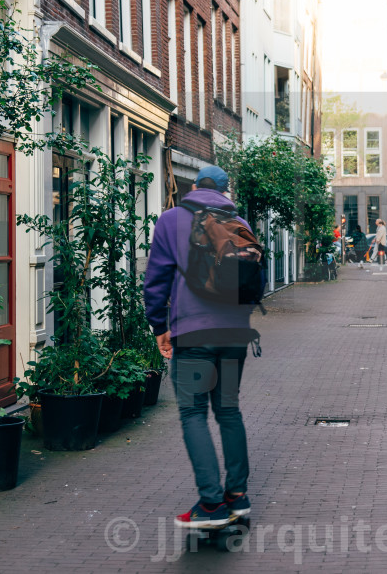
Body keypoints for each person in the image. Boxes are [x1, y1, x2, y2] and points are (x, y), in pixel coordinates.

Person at [143, 165, 257, 530]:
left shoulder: (172, 219)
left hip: (192, 336)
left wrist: (160, 326)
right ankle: (237, 497)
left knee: (193, 414)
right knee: (228, 411)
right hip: (235, 335)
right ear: (226, 190)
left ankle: (211, 504)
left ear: (193, 187)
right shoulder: (241, 224)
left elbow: (156, 279)